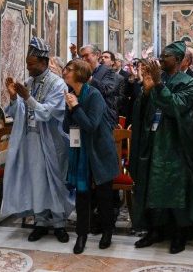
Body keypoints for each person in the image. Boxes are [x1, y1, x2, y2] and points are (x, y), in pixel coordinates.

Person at [130, 41, 193, 254]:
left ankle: (179, 233)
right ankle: (154, 230)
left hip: (174, 145)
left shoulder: (189, 82)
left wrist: (159, 84)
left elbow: (176, 106)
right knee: (150, 185)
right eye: (160, 55)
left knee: (174, 188)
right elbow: (141, 108)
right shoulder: (155, 78)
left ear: (178, 60)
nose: (160, 59)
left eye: (165, 56)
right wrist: (145, 93)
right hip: (152, 141)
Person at [1, 37, 73, 243]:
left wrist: (26, 97)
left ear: (43, 62)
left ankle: (59, 224)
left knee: (54, 182)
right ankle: (40, 222)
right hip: (31, 141)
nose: (28, 68)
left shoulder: (58, 84)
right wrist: (14, 97)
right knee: (37, 182)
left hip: (51, 142)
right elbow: (19, 112)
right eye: (27, 64)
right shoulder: (29, 83)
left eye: (31, 64)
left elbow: (48, 113)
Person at [62, 59, 119, 254]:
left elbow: (91, 126)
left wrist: (76, 107)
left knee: (104, 196)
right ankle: (81, 235)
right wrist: (70, 108)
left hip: (100, 151)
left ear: (79, 73)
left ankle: (107, 232)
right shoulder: (71, 94)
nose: (65, 71)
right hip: (81, 151)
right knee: (82, 195)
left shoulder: (94, 95)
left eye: (69, 69)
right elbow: (66, 127)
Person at [79, 44, 121, 126]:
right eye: (82, 56)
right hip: (86, 117)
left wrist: (90, 79)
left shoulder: (108, 71)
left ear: (97, 55)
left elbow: (107, 90)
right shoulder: (81, 72)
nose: (84, 59)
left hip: (103, 118)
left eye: (86, 55)